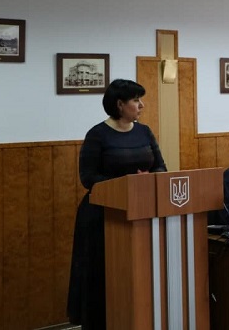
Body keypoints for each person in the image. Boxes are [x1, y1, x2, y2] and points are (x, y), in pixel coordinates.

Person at [67, 79, 167, 330]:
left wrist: (149, 178)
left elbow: (160, 167)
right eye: (136, 100)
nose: (142, 105)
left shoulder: (144, 131)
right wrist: (127, 183)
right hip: (102, 215)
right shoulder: (97, 134)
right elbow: (88, 178)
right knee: (101, 274)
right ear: (120, 105)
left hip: (140, 212)